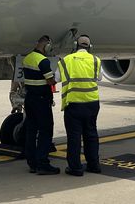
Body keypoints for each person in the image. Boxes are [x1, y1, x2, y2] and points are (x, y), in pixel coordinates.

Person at [58, 35, 102, 177]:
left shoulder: (66, 60)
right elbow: (99, 77)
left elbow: (57, 77)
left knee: (74, 137)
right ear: (90, 47)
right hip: (92, 103)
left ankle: (75, 168)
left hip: (74, 104)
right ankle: (94, 165)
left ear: (75, 45)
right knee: (91, 134)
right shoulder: (95, 60)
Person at [22, 35, 59, 175]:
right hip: (41, 100)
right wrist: (57, 76)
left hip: (29, 98)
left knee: (31, 130)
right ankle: (43, 163)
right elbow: (50, 81)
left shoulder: (27, 58)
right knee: (46, 130)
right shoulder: (43, 61)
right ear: (47, 46)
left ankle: (32, 163)